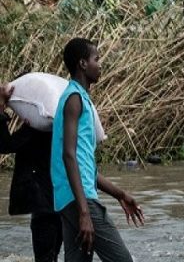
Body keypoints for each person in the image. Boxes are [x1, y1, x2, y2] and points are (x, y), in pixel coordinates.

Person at [52, 38, 144, 262]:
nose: (100, 64)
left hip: (68, 199)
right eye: (96, 59)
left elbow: (86, 167)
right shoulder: (74, 99)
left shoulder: (78, 97)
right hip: (80, 200)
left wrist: (120, 194)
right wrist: (84, 212)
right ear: (83, 64)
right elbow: (68, 155)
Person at [0, 84, 62, 262]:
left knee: (45, 258)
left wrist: (1, 105)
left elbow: (5, 145)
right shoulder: (60, 127)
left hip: (44, 207)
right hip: (62, 202)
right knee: (53, 256)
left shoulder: (34, 130)